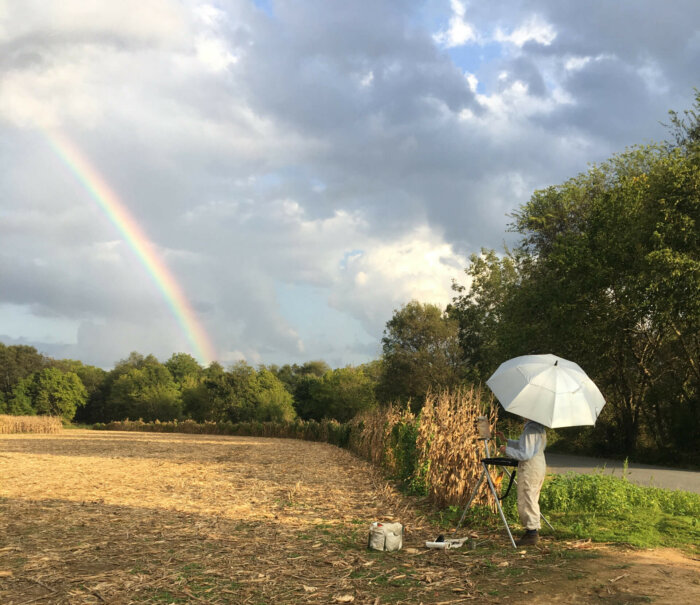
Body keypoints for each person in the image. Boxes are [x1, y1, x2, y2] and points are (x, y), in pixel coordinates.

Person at [496, 419, 547, 546]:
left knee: (527, 498)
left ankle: (532, 533)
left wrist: (506, 450)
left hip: (530, 467)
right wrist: (507, 441)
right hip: (537, 465)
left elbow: (525, 454)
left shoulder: (531, 430)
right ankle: (532, 530)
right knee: (532, 497)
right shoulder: (538, 427)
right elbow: (525, 445)